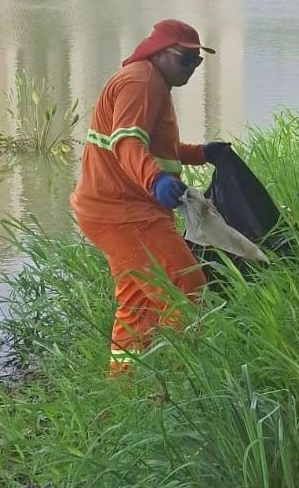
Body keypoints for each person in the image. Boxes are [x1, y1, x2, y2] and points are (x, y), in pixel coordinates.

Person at [70, 19, 226, 375]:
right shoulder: (140, 82)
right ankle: (185, 378)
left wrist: (202, 152)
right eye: (187, 60)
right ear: (162, 53)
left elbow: (160, 148)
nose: (192, 69)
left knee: (139, 303)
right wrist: (154, 179)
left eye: (197, 62)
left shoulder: (152, 83)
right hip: (125, 212)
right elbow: (127, 142)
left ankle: (124, 387)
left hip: (112, 210)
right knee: (188, 291)